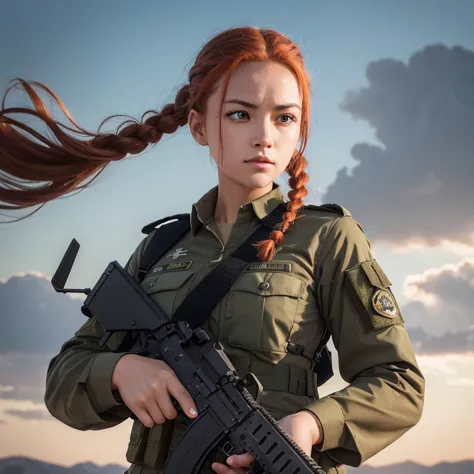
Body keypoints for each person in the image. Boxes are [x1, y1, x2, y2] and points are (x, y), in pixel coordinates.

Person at [0, 26, 424, 474]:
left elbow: (399, 384)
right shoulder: (161, 247)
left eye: (284, 118)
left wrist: (310, 426)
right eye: (240, 114)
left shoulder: (327, 236)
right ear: (200, 126)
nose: (265, 136)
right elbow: (64, 379)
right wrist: (121, 372)